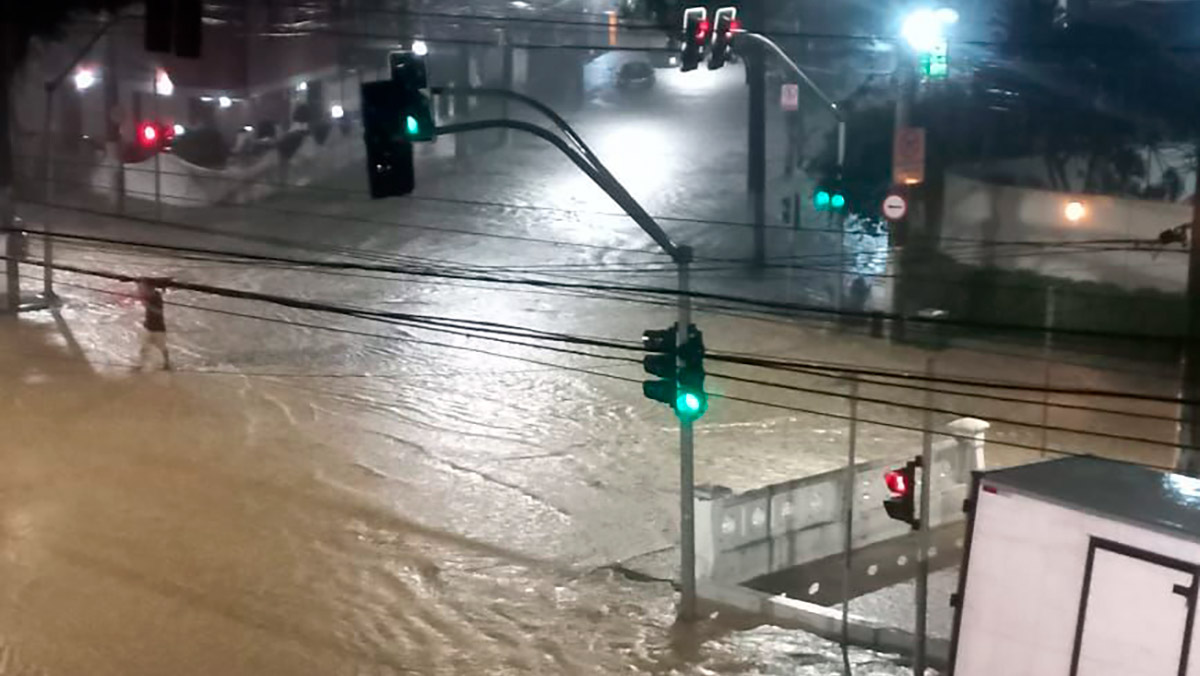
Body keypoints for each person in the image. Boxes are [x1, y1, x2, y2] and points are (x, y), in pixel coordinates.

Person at [137, 278, 171, 371]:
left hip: (158, 328)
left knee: (162, 348)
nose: (143, 290)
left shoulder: (156, 297)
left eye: (145, 288)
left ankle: (167, 364)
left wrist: (148, 306)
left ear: (150, 288)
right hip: (148, 326)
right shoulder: (149, 296)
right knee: (144, 348)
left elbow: (159, 311)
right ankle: (141, 365)